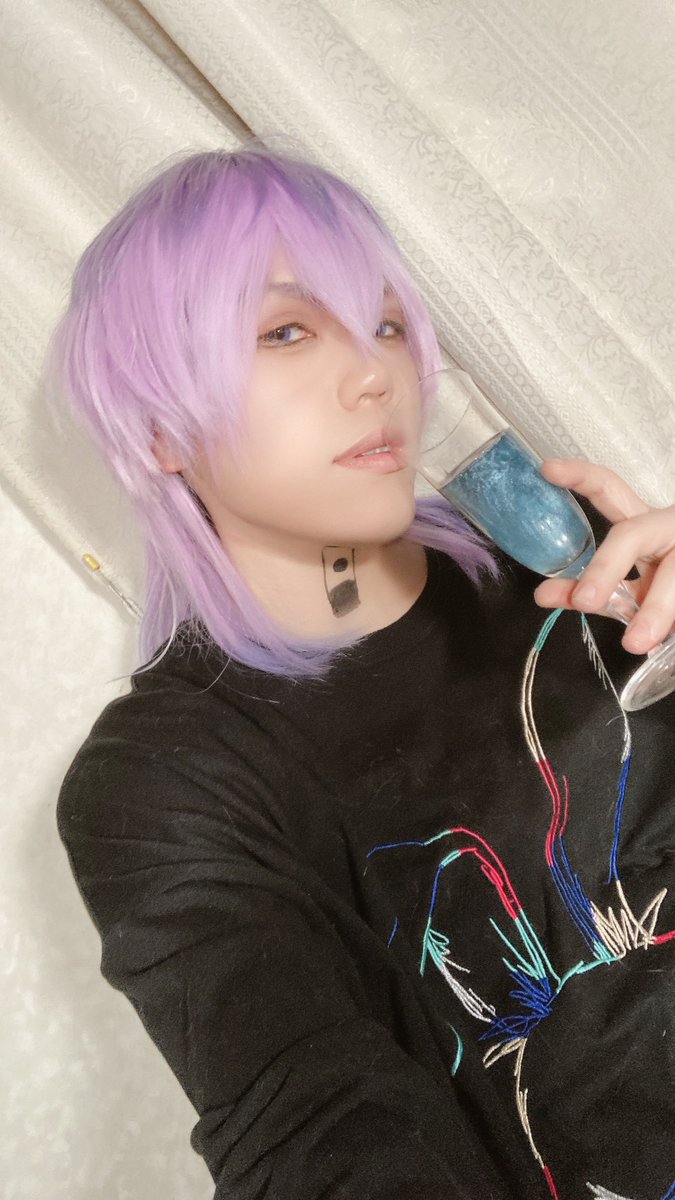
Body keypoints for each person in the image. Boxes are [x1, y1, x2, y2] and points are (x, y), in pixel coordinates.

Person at [50, 146, 675, 1200]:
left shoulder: (579, 558)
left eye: (386, 323)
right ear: (158, 428)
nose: (379, 374)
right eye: (285, 331)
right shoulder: (162, 784)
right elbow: (314, 1132)